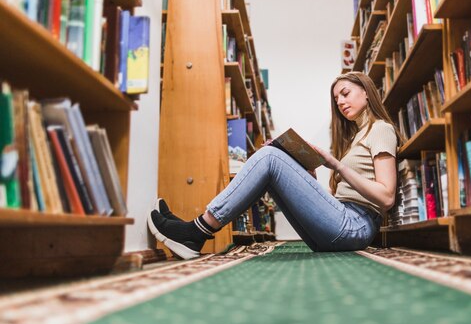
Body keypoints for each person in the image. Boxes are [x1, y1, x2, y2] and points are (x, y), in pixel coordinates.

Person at [148, 71, 403, 259]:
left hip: (355, 226)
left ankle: (197, 231)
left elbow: (386, 196)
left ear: (366, 92)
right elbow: (341, 199)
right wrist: (308, 177)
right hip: (344, 223)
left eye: (345, 93)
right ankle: (195, 231)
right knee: (272, 161)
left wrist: (336, 165)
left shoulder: (381, 130)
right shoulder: (357, 137)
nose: (340, 102)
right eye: (336, 99)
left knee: (270, 156)